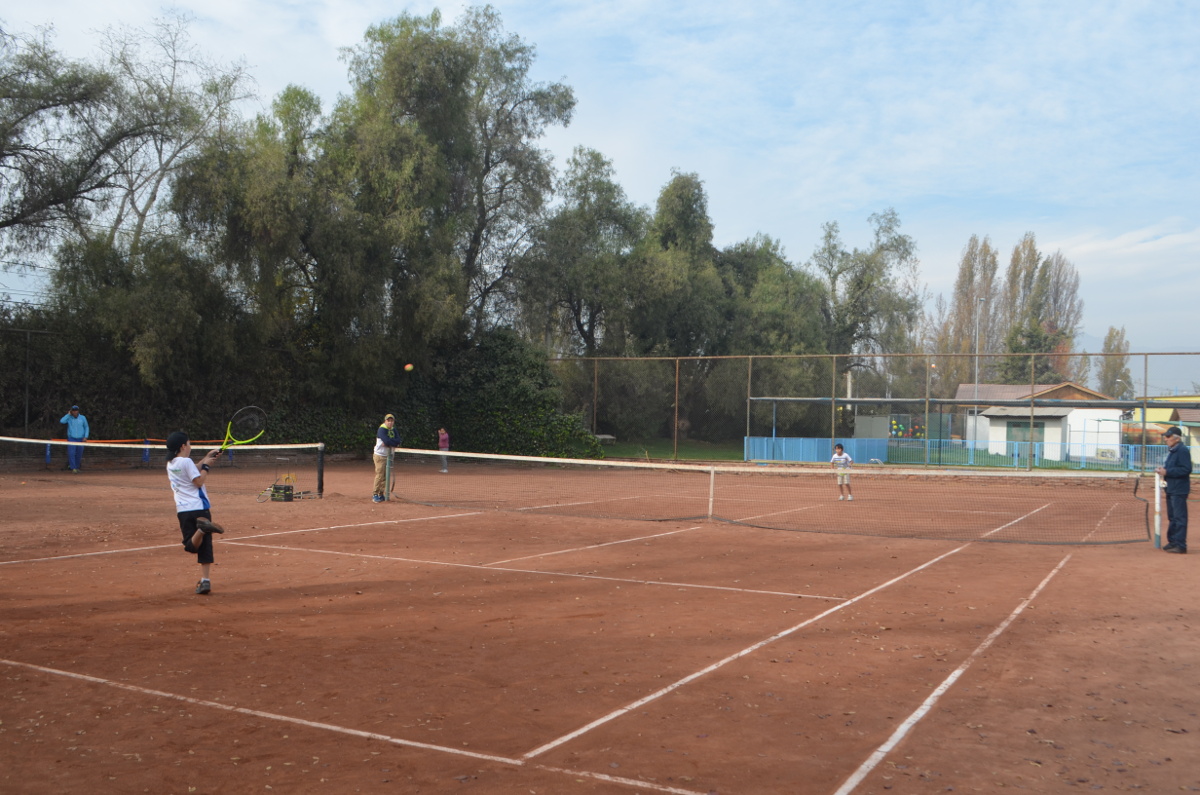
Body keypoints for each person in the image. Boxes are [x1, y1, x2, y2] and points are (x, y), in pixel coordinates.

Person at [166, 431, 225, 594]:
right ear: (183, 446)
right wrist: (206, 466)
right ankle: (205, 579)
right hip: (200, 507)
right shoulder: (186, 462)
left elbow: (191, 469)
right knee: (205, 546)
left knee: (190, 546)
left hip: (184, 510)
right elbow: (198, 481)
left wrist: (206, 458)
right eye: (189, 443)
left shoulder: (171, 464)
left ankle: (202, 529)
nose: (190, 446)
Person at [1156, 425, 1192, 554]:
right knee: (1172, 517)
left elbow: (1186, 469)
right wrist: (1162, 471)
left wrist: (1167, 471)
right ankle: (1173, 542)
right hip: (1171, 489)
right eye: (1165, 436)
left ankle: (1180, 545)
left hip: (1179, 490)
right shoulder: (1173, 451)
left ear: (1176, 438)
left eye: (1168, 436)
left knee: (1179, 517)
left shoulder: (1182, 450)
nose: (1166, 439)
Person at [373, 413, 402, 502]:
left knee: (385, 476)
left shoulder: (394, 430)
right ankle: (375, 494)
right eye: (388, 421)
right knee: (380, 475)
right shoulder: (381, 429)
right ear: (385, 421)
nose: (390, 423)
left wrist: (390, 442)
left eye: (391, 421)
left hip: (388, 456)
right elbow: (386, 440)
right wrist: (391, 442)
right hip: (380, 456)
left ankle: (381, 494)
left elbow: (398, 440)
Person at [59, 404, 90, 472]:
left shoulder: (83, 418)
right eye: (73, 410)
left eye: (76, 410)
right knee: (71, 453)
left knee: (79, 453)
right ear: (71, 411)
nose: (75, 412)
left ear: (78, 411)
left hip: (80, 438)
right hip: (72, 438)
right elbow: (62, 421)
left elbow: (86, 427)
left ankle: (77, 467)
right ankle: (73, 468)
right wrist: (68, 414)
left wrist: (85, 436)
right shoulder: (69, 418)